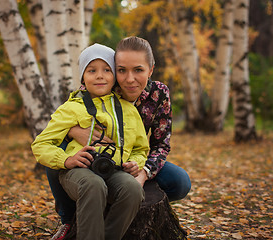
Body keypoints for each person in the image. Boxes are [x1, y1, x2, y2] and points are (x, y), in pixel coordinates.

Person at [48, 36, 192, 239]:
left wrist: (143, 172)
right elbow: (70, 111)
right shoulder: (103, 85)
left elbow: (160, 144)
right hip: (94, 153)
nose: (129, 79)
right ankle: (68, 218)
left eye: (139, 70)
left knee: (180, 182)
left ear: (151, 69)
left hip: (134, 157)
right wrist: (75, 131)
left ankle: (119, 192)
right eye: (122, 70)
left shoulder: (159, 94)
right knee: (55, 156)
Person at [32, 43, 150, 240]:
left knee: (132, 189)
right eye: (91, 70)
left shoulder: (129, 110)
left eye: (106, 70)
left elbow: (141, 148)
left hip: (114, 170)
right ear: (82, 77)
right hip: (78, 173)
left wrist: (135, 163)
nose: (100, 76)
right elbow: (40, 144)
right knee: (93, 185)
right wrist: (67, 160)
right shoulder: (71, 108)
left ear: (114, 76)